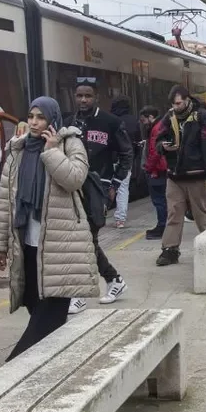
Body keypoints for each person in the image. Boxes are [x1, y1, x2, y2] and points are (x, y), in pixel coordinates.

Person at [0, 97, 97, 361]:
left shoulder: (70, 143)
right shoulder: (19, 150)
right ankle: (54, 362)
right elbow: (5, 202)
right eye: (31, 116)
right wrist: (0, 245)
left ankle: (13, 369)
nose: (35, 123)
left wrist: (51, 152)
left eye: (41, 117)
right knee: (37, 310)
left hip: (60, 248)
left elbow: (75, 179)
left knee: (47, 316)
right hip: (27, 245)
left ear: (53, 119)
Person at [68, 77, 131, 312]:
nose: (83, 100)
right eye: (79, 96)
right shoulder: (68, 122)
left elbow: (127, 154)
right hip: (73, 187)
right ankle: (114, 280)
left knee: (86, 238)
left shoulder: (110, 122)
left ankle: (80, 293)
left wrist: (115, 184)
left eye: (88, 96)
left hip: (98, 188)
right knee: (84, 240)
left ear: (96, 97)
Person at [148, 85, 206, 266]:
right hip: (175, 175)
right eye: (173, 104)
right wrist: (162, 146)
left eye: (179, 103)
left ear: (188, 100)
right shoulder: (170, 117)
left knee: (201, 213)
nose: (175, 107)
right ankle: (169, 249)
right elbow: (158, 138)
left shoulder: (202, 117)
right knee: (174, 213)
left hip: (196, 175)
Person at [109, 95, 142, 228]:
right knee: (123, 189)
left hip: (110, 159)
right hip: (126, 160)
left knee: (104, 186)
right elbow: (138, 142)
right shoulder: (134, 121)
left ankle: (100, 214)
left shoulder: (110, 119)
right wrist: (133, 157)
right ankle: (120, 220)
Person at [140, 106, 168, 240]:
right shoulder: (160, 126)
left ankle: (162, 227)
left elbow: (154, 151)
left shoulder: (155, 129)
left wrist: (148, 167)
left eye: (143, 120)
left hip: (156, 170)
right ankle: (163, 225)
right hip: (159, 168)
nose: (143, 123)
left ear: (150, 117)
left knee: (159, 200)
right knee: (162, 200)